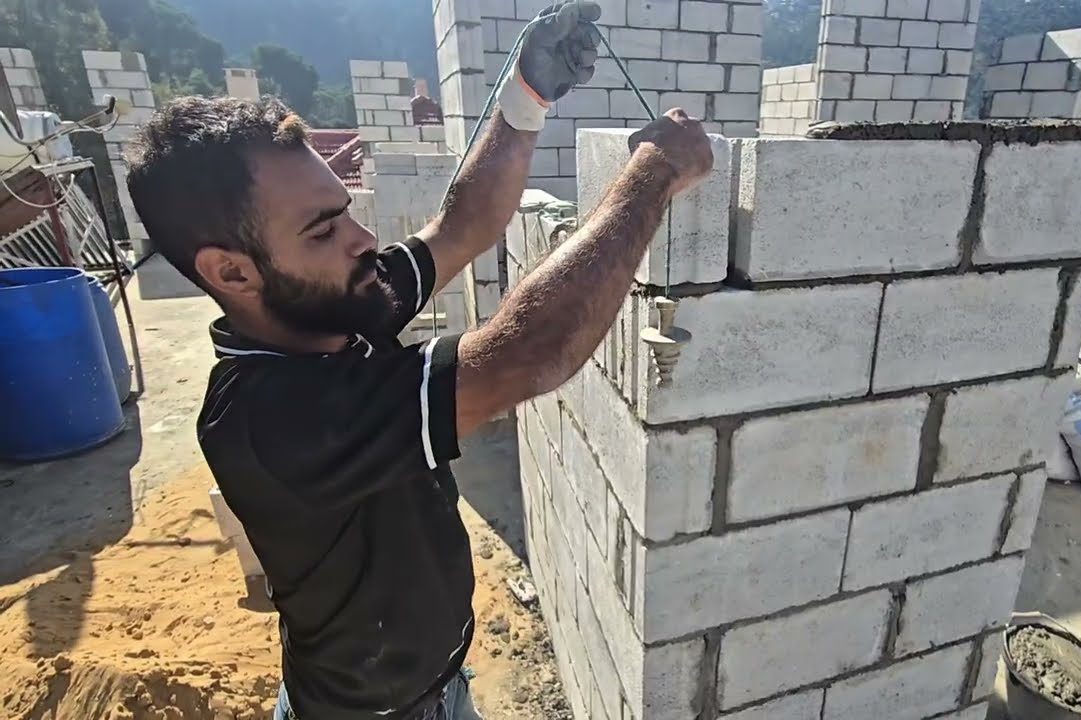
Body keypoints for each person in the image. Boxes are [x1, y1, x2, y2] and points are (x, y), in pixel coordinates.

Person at [123, 2, 713, 718]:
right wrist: (650, 179)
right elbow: (528, 351)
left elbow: (462, 225)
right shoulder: (270, 418)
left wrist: (525, 97)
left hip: (434, 690)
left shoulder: (335, 305)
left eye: (344, 210)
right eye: (323, 229)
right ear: (234, 273)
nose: (363, 238)